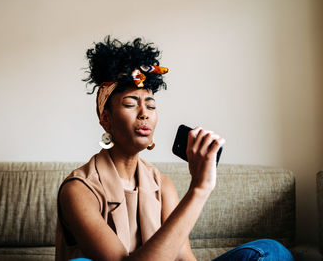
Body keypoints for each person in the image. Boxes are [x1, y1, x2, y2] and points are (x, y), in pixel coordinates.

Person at [55, 36, 294, 261]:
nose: (144, 114)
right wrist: (199, 189)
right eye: (130, 104)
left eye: (151, 105)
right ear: (106, 119)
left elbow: (184, 257)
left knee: (270, 251)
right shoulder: (78, 191)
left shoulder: (163, 185)